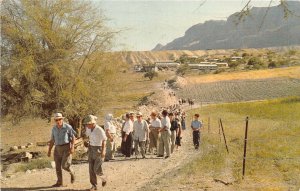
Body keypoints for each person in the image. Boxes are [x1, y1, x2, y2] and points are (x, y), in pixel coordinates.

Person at [48, 113, 76, 187]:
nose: (58, 121)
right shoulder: (54, 128)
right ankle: (59, 182)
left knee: (64, 166)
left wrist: (72, 147)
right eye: (56, 120)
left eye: (59, 119)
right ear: (55, 120)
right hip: (57, 148)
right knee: (57, 167)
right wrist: (49, 150)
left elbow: (73, 137)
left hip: (66, 148)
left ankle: (72, 172)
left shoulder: (67, 127)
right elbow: (52, 140)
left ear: (62, 119)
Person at [84, 115, 107, 191]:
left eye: (88, 124)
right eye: (86, 124)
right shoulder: (88, 128)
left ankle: (103, 178)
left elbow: (104, 140)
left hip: (98, 149)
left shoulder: (99, 130)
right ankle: (94, 185)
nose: (87, 125)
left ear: (93, 123)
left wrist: (103, 151)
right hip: (91, 148)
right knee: (91, 168)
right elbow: (88, 137)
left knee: (96, 168)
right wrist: (87, 142)